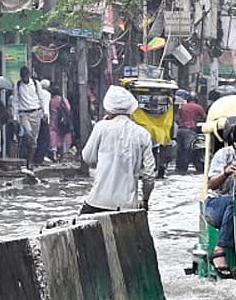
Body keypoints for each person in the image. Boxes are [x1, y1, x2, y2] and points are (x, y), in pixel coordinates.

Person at [79, 85, 156, 214]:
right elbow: (149, 176)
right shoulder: (143, 134)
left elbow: (88, 157)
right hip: (128, 206)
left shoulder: (101, 127)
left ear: (108, 109)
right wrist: (145, 200)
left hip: (98, 201)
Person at [204, 128, 236, 277]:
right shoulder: (224, 154)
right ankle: (220, 249)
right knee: (235, 200)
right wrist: (226, 172)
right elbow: (211, 184)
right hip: (216, 205)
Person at [13, 66, 48, 167]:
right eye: (23, 77)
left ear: (29, 75)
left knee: (34, 139)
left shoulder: (36, 84)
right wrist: (15, 117)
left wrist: (44, 112)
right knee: (29, 135)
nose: (25, 79)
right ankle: (29, 159)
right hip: (24, 114)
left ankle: (30, 160)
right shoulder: (18, 85)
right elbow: (15, 101)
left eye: (26, 76)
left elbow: (41, 99)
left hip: (36, 113)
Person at [175, 92, 206, 173]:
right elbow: (205, 117)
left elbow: (177, 118)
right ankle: (183, 169)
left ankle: (178, 167)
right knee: (187, 150)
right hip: (190, 130)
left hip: (180, 130)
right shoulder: (198, 107)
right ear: (196, 99)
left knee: (180, 149)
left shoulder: (182, 107)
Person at [49, 85, 75, 162]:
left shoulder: (51, 100)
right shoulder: (62, 99)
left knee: (53, 135)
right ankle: (61, 154)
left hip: (53, 120)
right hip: (62, 121)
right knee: (62, 136)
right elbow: (68, 108)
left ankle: (54, 152)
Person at [35, 79, 53, 164]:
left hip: (37, 117)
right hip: (44, 118)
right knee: (45, 139)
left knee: (38, 139)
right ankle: (40, 159)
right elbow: (45, 104)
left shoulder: (36, 92)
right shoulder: (47, 94)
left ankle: (37, 158)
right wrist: (45, 115)